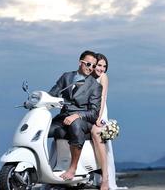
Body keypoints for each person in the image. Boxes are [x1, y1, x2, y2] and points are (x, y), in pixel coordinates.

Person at [48, 50, 102, 181]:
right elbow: (52, 94)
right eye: (88, 64)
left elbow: (94, 113)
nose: (91, 68)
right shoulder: (66, 77)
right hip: (62, 118)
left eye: (94, 66)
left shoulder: (95, 86)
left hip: (83, 120)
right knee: (41, 128)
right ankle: (43, 165)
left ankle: (73, 168)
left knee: (75, 124)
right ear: (80, 62)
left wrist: (76, 115)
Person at [91, 53, 125, 190]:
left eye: (104, 66)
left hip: (100, 112)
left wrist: (99, 118)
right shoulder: (87, 77)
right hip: (89, 111)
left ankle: (105, 178)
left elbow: (103, 98)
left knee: (100, 139)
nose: (102, 69)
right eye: (99, 65)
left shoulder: (103, 77)